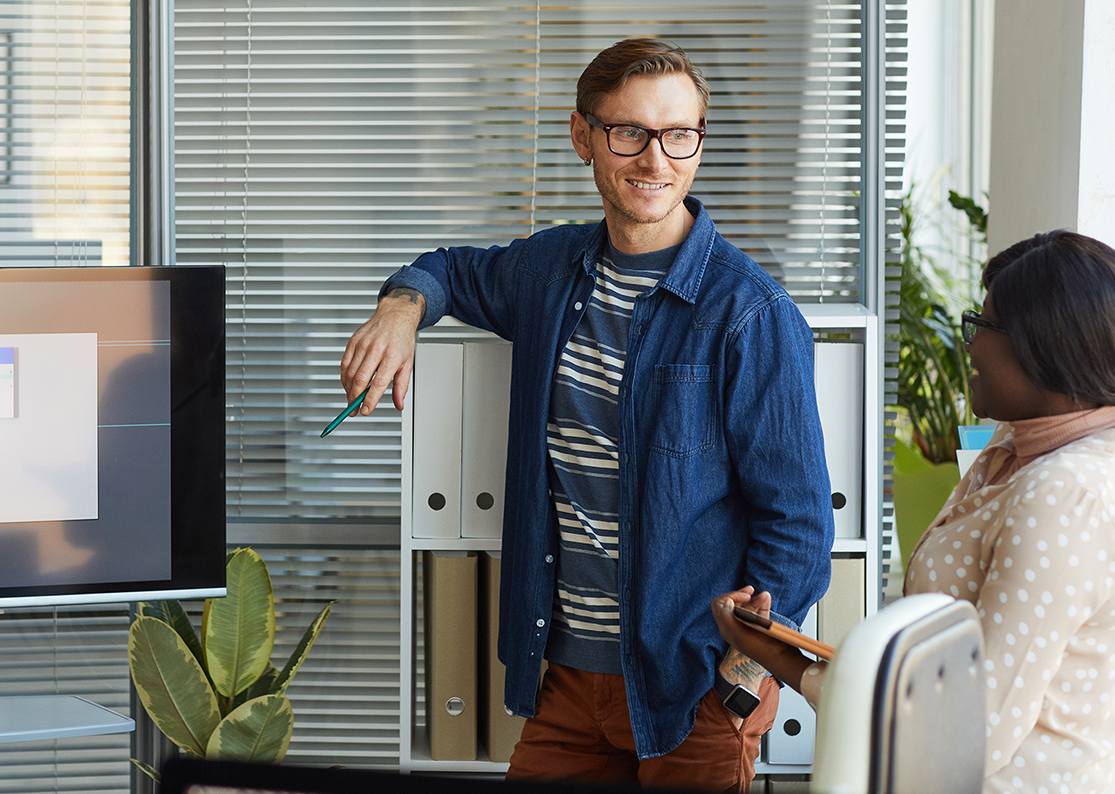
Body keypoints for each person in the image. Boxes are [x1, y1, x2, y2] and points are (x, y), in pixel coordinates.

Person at [341, 38, 835, 790]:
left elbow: (798, 527)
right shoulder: (547, 273)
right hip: (565, 682)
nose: (656, 160)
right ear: (584, 136)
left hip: (690, 686)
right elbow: (446, 269)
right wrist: (400, 310)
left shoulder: (749, 313)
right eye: (629, 132)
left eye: (679, 135)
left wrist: (738, 682)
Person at [713, 229, 1115, 794]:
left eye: (984, 326)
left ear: (1046, 343)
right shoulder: (1012, 449)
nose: (970, 348)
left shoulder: (1064, 494)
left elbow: (975, 729)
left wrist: (788, 663)